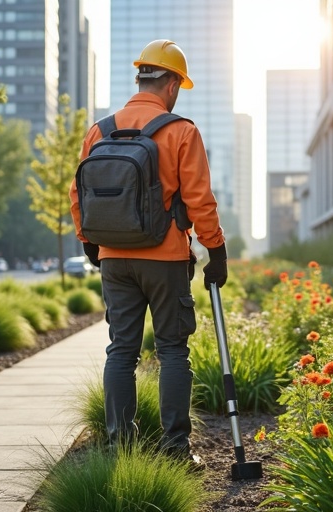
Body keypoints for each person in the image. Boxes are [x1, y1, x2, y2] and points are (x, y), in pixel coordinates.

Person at [69, 39, 228, 466]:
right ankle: (176, 451)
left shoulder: (99, 130)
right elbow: (200, 200)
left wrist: (90, 242)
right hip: (166, 259)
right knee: (173, 350)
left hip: (114, 259)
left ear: (141, 76)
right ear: (172, 83)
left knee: (121, 350)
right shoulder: (181, 131)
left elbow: (77, 194)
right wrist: (217, 250)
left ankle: (121, 448)